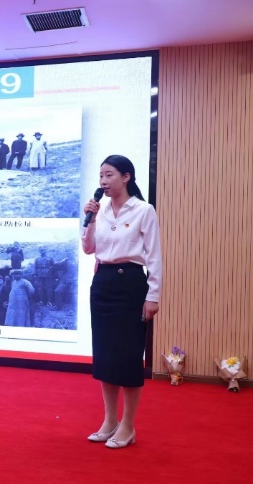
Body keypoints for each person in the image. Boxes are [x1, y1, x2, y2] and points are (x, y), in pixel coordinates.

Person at [82, 154, 162, 449]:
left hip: (130, 284)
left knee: (128, 355)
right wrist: (89, 220)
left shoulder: (143, 210)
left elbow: (154, 256)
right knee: (105, 354)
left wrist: (153, 295)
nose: (103, 181)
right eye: (101, 175)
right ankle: (109, 421)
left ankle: (128, 426)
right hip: (102, 283)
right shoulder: (99, 211)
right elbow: (89, 248)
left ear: (126, 177)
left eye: (109, 175)